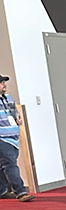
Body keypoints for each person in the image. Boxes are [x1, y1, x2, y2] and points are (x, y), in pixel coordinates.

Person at [0, 74, 34, 202]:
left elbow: (14, 111)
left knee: (3, 165)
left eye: (4, 82)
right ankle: (20, 191)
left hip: (13, 137)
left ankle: (1, 191)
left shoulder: (8, 98)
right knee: (10, 165)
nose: (4, 85)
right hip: (2, 138)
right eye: (1, 83)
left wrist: (17, 117)